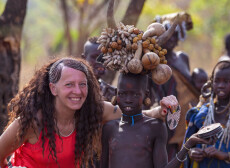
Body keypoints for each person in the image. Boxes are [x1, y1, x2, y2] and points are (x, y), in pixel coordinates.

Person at [0, 57, 178, 168]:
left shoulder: (94, 111)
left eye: (82, 84)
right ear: (53, 89)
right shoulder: (32, 122)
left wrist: (160, 109)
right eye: (69, 84)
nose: (77, 91)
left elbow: (135, 116)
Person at [101, 72, 213, 168]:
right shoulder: (109, 128)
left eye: (135, 94)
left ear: (146, 95)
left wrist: (188, 145)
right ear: (116, 94)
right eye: (122, 94)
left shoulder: (155, 127)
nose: (128, 100)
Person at [153, 12, 201, 161]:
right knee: (169, 154)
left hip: (188, 115)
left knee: (189, 152)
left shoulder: (183, 57)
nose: (171, 39)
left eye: (174, 35)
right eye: (167, 35)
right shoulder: (154, 60)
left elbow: (190, 86)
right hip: (168, 116)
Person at [184, 60, 230, 168]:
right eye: (217, 81)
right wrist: (191, 152)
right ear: (211, 82)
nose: (221, 85)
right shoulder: (201, 113)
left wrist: (225, 156)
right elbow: (188, 144)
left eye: (226, 81)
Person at [82, 37, 116, 102]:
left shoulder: (109, 92)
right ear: (84, 58)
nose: (100, 61)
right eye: (94, 57)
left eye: (104, 57)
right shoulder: (77, 88)